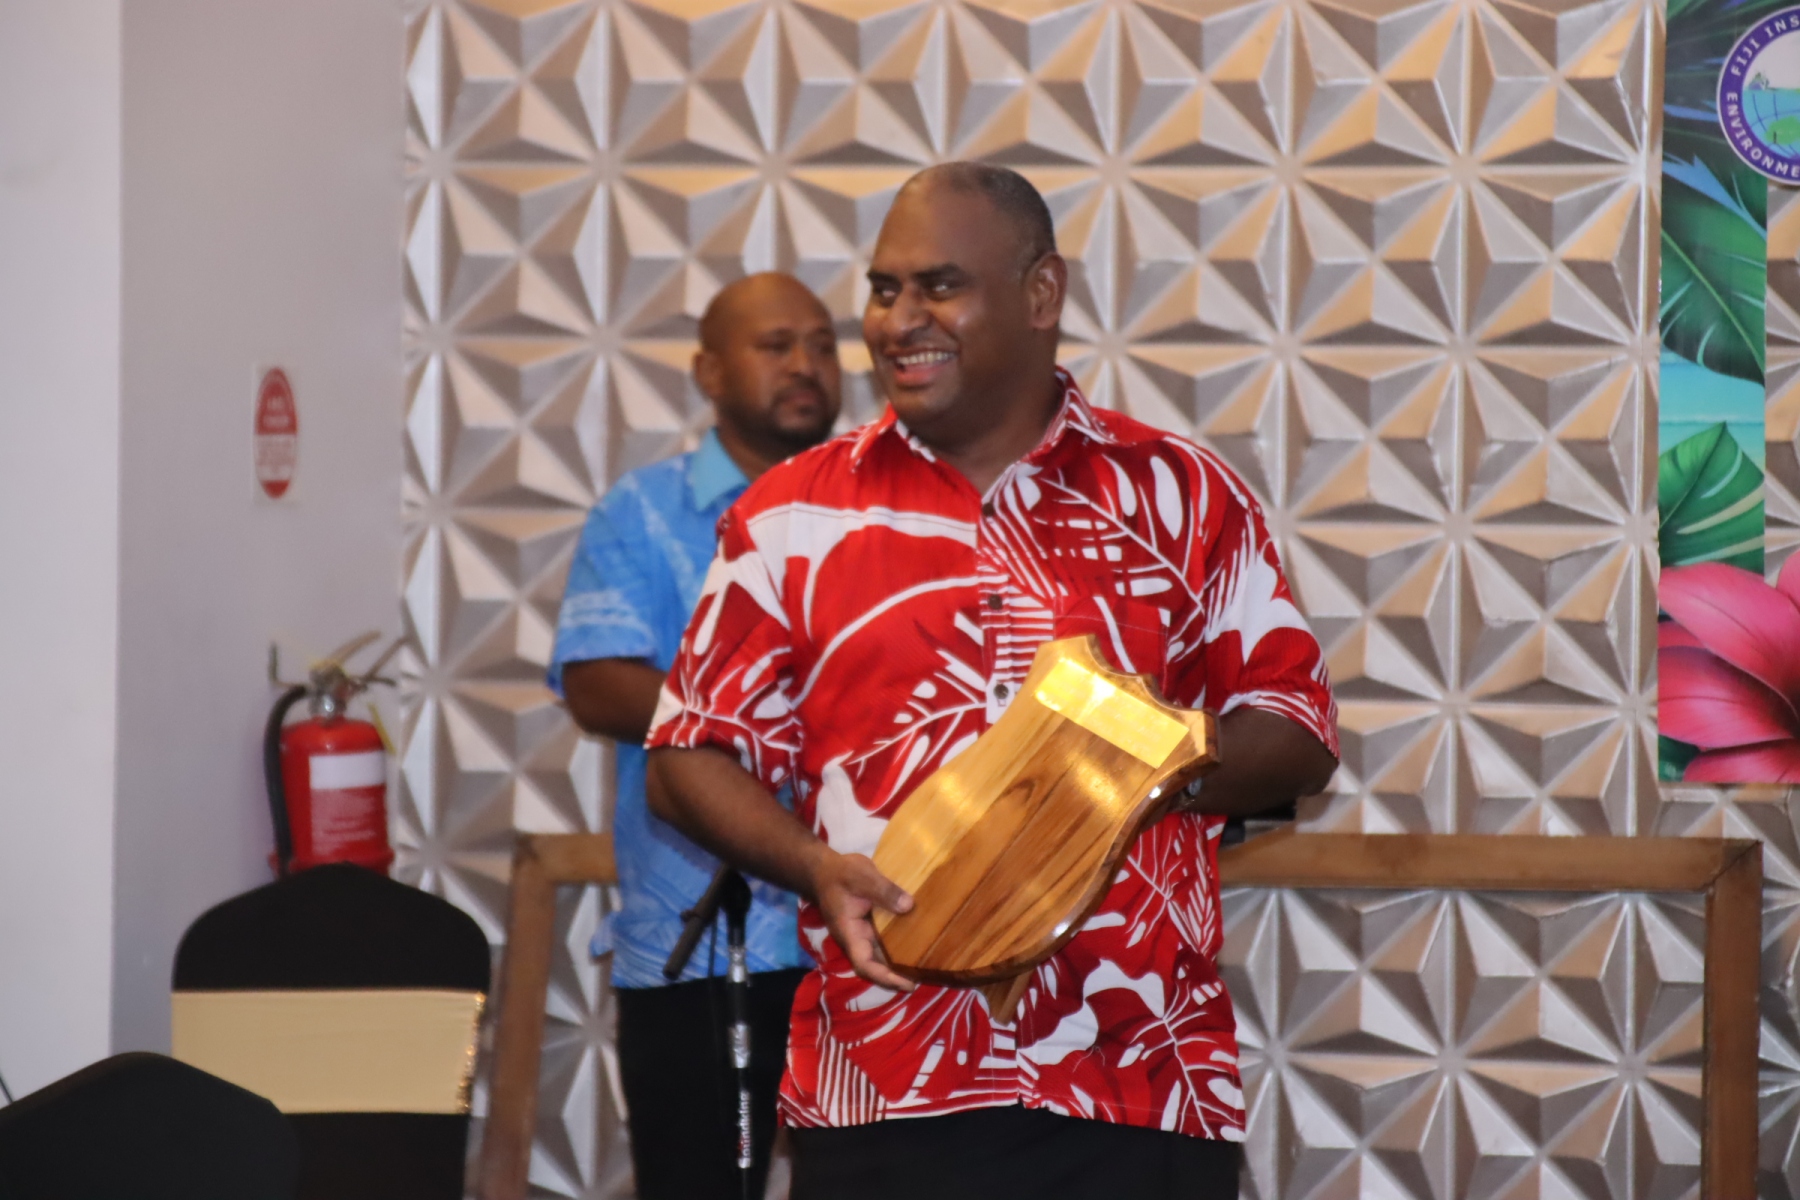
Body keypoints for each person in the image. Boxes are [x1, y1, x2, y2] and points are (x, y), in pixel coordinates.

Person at [643, 163, 1340, 1199]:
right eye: (885, 290)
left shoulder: (1182, 494)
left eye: (939, 286)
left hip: (1135, 1078)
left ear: (1041, 293)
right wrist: (815, 866)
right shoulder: (790, 515)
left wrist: (1133, 765)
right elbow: (684, 757)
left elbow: (1298, 731)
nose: (899, 321)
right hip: (880, 1082)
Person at [548, 272, 842, 1200]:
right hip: (694, 941)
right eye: (777, 345)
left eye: (823, 345)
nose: (806, 365)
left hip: (864, 943)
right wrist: (770, 722)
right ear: (708, 371)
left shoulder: (885, 510)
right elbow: (598, 683)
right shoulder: (640, 511)